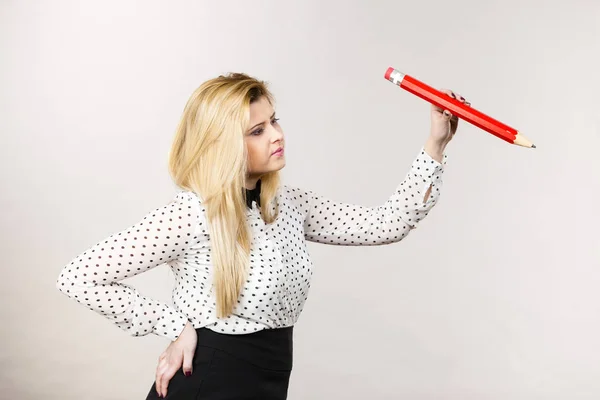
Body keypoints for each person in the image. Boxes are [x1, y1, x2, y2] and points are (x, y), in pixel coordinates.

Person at [55, 72, 468, 399]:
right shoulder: (193, 213)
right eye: (257, 130)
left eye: (274, 120)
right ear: (222, 144)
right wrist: (175, 328)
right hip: (210, 382)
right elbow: (78, 277)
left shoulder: (286, 205)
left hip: (268, 379)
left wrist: (436, 144)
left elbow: (387, 224)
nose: (277, 134)